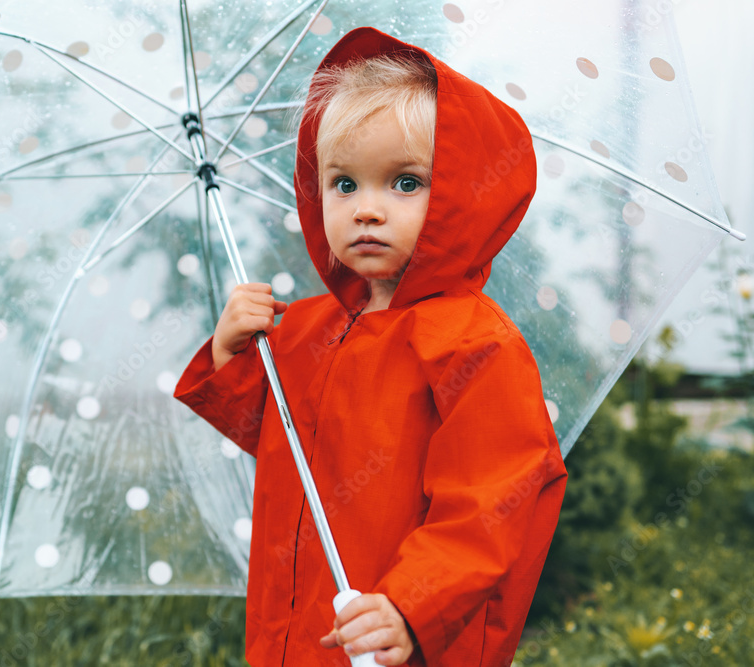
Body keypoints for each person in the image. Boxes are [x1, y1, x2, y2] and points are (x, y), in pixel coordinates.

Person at [174, 26, 567, 667]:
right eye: (345, 184)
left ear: (465, 194)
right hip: (292, 629)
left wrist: (413, 603)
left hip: (397, 637)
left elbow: (493, 502)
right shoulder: (301, 326)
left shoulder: (473, 343)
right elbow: (283, 443)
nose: (366, 209)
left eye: (405, 183)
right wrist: (231, 353)